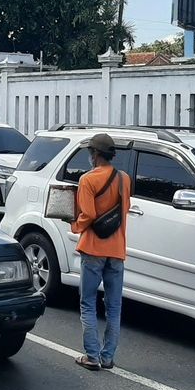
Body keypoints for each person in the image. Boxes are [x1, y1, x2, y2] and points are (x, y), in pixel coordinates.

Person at [70, 133, 131, 371]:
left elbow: (88, 215)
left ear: (94, 154)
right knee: (114, 306)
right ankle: (107, 358)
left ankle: (92, 356)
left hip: (93, 248)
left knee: (87, 302)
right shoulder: (124, 179)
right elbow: (124, 209)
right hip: (117, 249)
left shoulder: (88, 180)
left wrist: (75, 226)